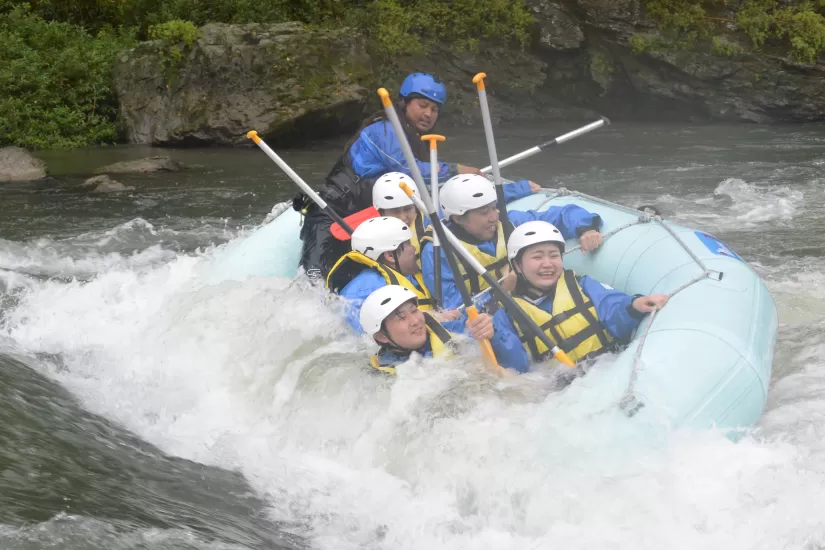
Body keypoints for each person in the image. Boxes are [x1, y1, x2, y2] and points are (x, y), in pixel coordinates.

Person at [296, 72, 538, 281]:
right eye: (422, 105)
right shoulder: (383, 131)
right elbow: (408, 171)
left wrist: (518, 189)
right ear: (404, 103)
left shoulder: (416, 140)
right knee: (315, 280)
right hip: (332, 214)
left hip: (372, 218)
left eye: (434, 109)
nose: (429, 114)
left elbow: (448, 196)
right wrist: (456, 169)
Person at [468, 221, 668, 373]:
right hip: (560, 389)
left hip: (607, 369)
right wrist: (492, 336)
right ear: (518, 266)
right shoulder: (507, 315)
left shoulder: (582, 285)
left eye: (554, 256)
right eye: (537, 257)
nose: (547, 264)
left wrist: (635, 305)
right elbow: (517, 366)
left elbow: (612, 308)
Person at [421, 174, 605, 311]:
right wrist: (500, 292)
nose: (494, 217)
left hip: (526, 301)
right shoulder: (437, 252)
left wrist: (586, 229)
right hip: (488, 318)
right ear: (458, 219)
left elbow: (561, 214)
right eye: (484, 213)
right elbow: (453, 310)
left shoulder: (509, 224)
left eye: (494, 208)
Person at [372, 171, 538, 267]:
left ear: (416, 205)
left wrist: (520, 188)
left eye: (408, 209)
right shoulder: (375, 243)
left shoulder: (430, 214)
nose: (403, 217)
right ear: (381, 211)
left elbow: (472, 200)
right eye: (395, 211)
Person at [326, 216, 461, 334]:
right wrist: (433, 318)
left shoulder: (405, 275)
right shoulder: (371, 289)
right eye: (408, 244)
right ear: (390, 255)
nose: (414, 248)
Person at [360, 285, 494, 374]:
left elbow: (470, 328)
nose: (415, 321)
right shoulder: (387, 377)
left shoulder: (440, 329)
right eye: (401, 318)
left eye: (414, 310)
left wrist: (485, 328)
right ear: (382, 337)